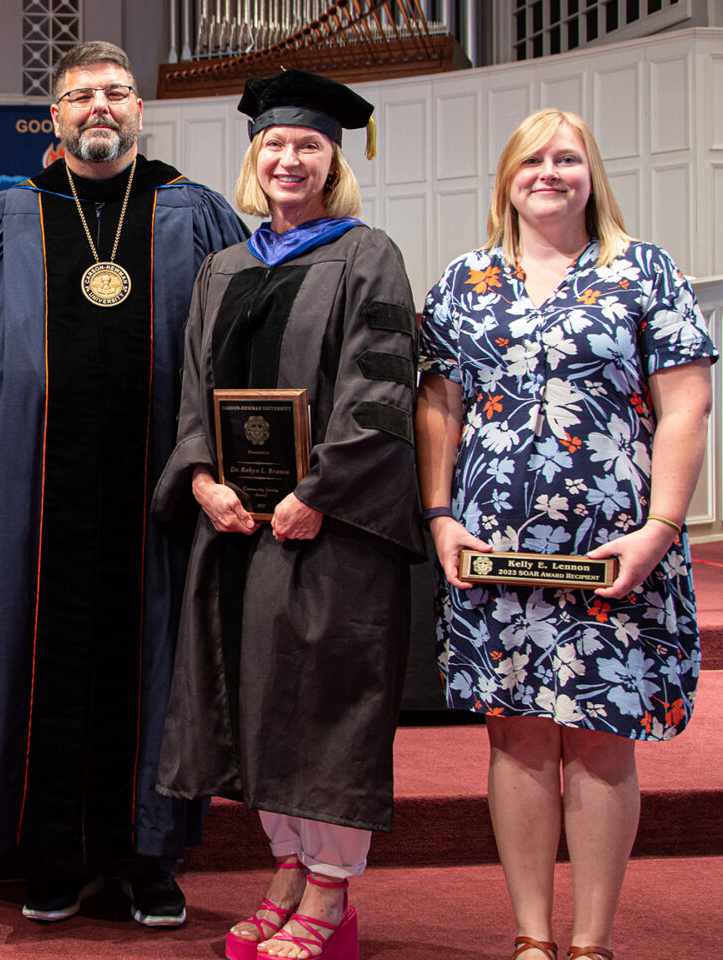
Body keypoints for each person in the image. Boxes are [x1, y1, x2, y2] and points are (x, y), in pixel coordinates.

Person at [0, 40, 245, 927]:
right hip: (30, 493)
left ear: (140, 110)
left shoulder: (198, 214)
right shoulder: (5, 217)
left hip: (163, 499)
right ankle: (52, 850)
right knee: (37, 653)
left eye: (115, 92)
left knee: (160, 663)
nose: (98, 106)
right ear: (54, 117)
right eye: (79, 95)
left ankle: (152, 855)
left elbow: (241, 358)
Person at [415, 109, 714, 960]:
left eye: (568, 158)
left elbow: (684, 405)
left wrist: (658, 529)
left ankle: (591, 941)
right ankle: (531, 937)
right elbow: (437, 402)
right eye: (533, 159)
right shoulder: (466, 279)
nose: (550, 172)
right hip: (491, 544)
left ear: (593, 175)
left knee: (599, 734)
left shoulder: (642, 270)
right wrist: (439, 514)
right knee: (513, 731)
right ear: (506, 176)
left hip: (612, 544)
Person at [153, 70, 422, 960]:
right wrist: (199, 478)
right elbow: (194, 389)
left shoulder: (368, 254)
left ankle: (333, 888)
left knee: (325, 702)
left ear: (334, 159)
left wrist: (318, 493)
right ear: (253, 157)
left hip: (331, 530)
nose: (289, 158)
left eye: (307, 144)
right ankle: (290, 864)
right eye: (274, 144)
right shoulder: (226, 265)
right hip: (236, 527)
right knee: (257, 696)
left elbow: (379, 392)